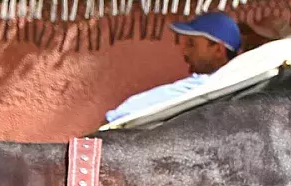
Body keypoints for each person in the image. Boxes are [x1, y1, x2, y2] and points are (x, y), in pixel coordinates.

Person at [104, 12, 243, 124]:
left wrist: (112, 118)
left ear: (218, 50)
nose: (185, 52)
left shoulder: (207, 84)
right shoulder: (238, 79)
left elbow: (121, 114)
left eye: (191, 44)